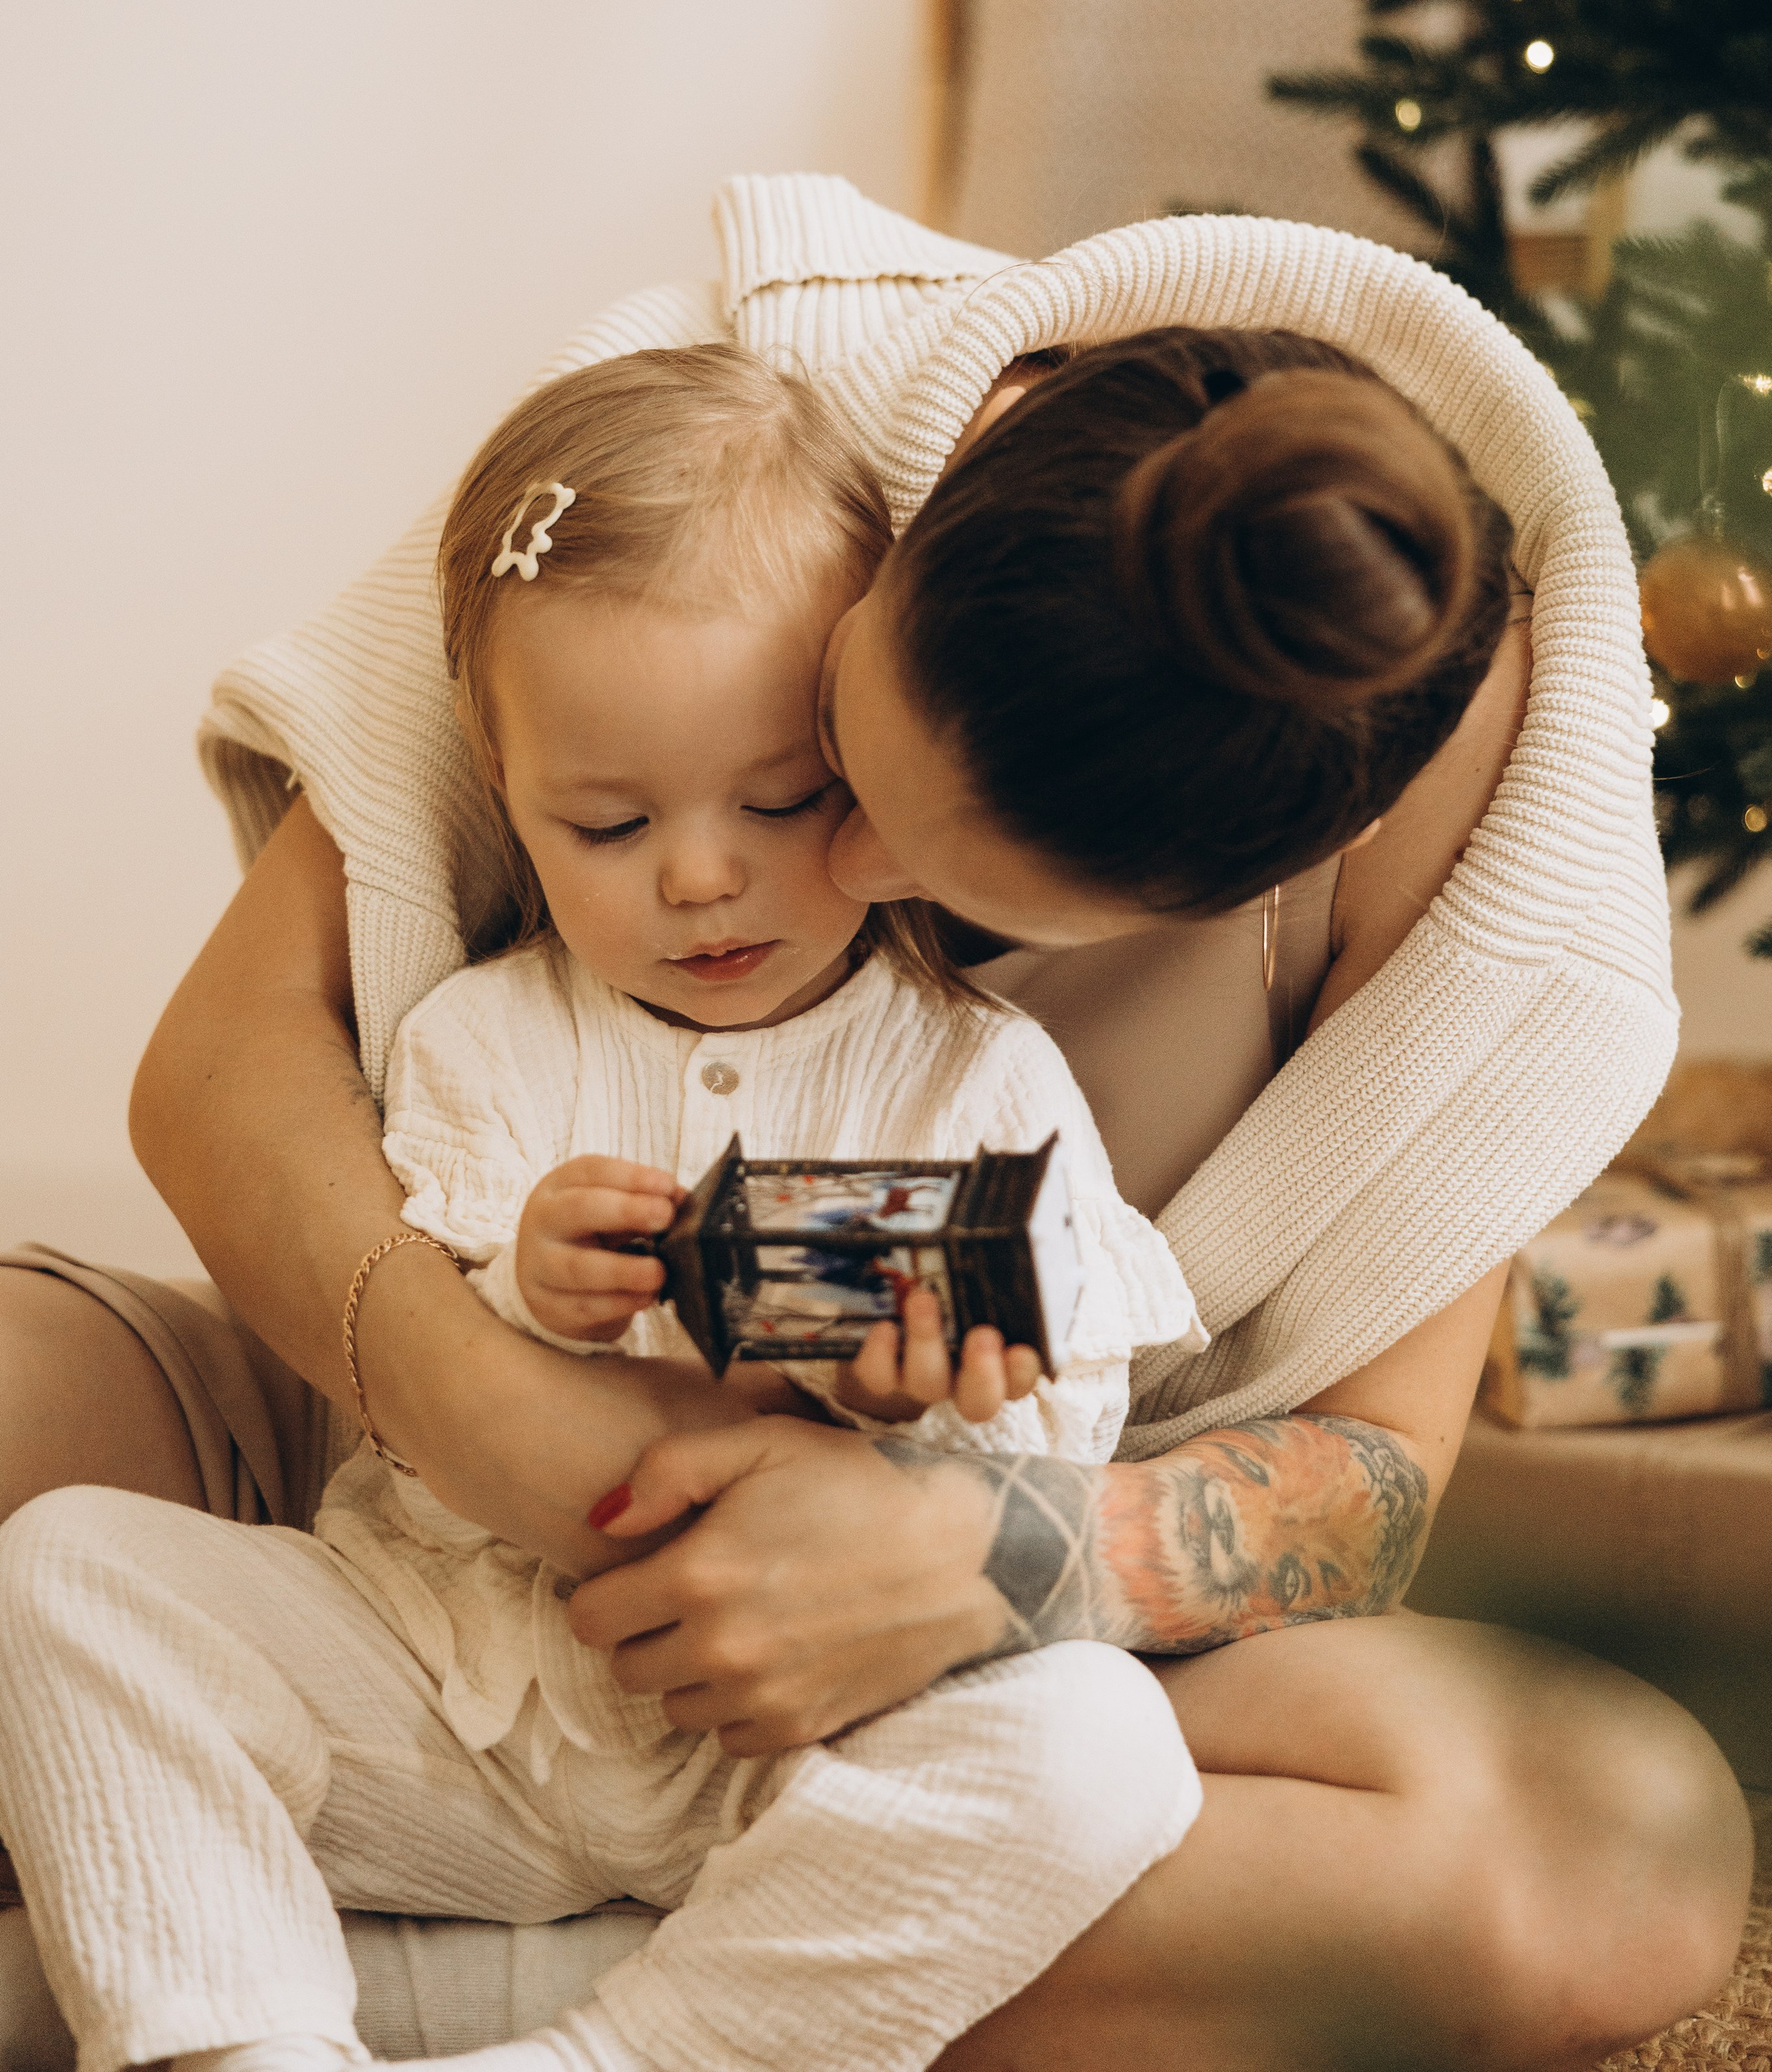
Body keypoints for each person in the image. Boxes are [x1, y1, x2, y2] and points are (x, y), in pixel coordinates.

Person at [0, 180, 1751, 2071]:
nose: (798, 874)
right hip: (414, 1502)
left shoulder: (1496, 894)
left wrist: (983, 1552)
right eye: (832, 754)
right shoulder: (728, 454)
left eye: (927, 863)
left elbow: (1379, 1485)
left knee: (1611, 1847)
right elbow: (229, 1067)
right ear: (904, 543)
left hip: (975, 1659)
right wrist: (525, 1433)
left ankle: (434, 1996)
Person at [0, 346, 1207, 2072]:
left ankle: (641, 2058)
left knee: (1098, 1746)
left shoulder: (978, 1080)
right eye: (609, 819)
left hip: (804, 1747)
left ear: (869, 751)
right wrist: (525, 1283)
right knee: (69, 1574)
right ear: (508, 798)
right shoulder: (483, 1036)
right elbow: (404, 1407)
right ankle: (242, 2043)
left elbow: (1076, 1415)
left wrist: (941, 1404)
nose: (701, 873)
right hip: (460, 1696)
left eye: (781, 800)